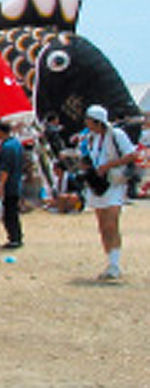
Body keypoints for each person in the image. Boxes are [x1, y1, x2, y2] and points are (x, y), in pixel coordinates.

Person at [78, 105, 137, 280]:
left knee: (112, 224)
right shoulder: (91, 138)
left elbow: (132, 155)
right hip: (99, 183)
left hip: (114, 182)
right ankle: (110, 261)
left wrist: (108, 166)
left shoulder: (116, 135)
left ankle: (115, 264)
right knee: (103, 226)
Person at [0, 121, 24, 249]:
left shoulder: (6, 147)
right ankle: (16, 236)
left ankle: (14, 238)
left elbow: (5, 169)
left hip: (9, 184)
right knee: (13, 211)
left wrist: (1, 184)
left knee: (9, 213)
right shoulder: (16, 144)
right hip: (17, 181)